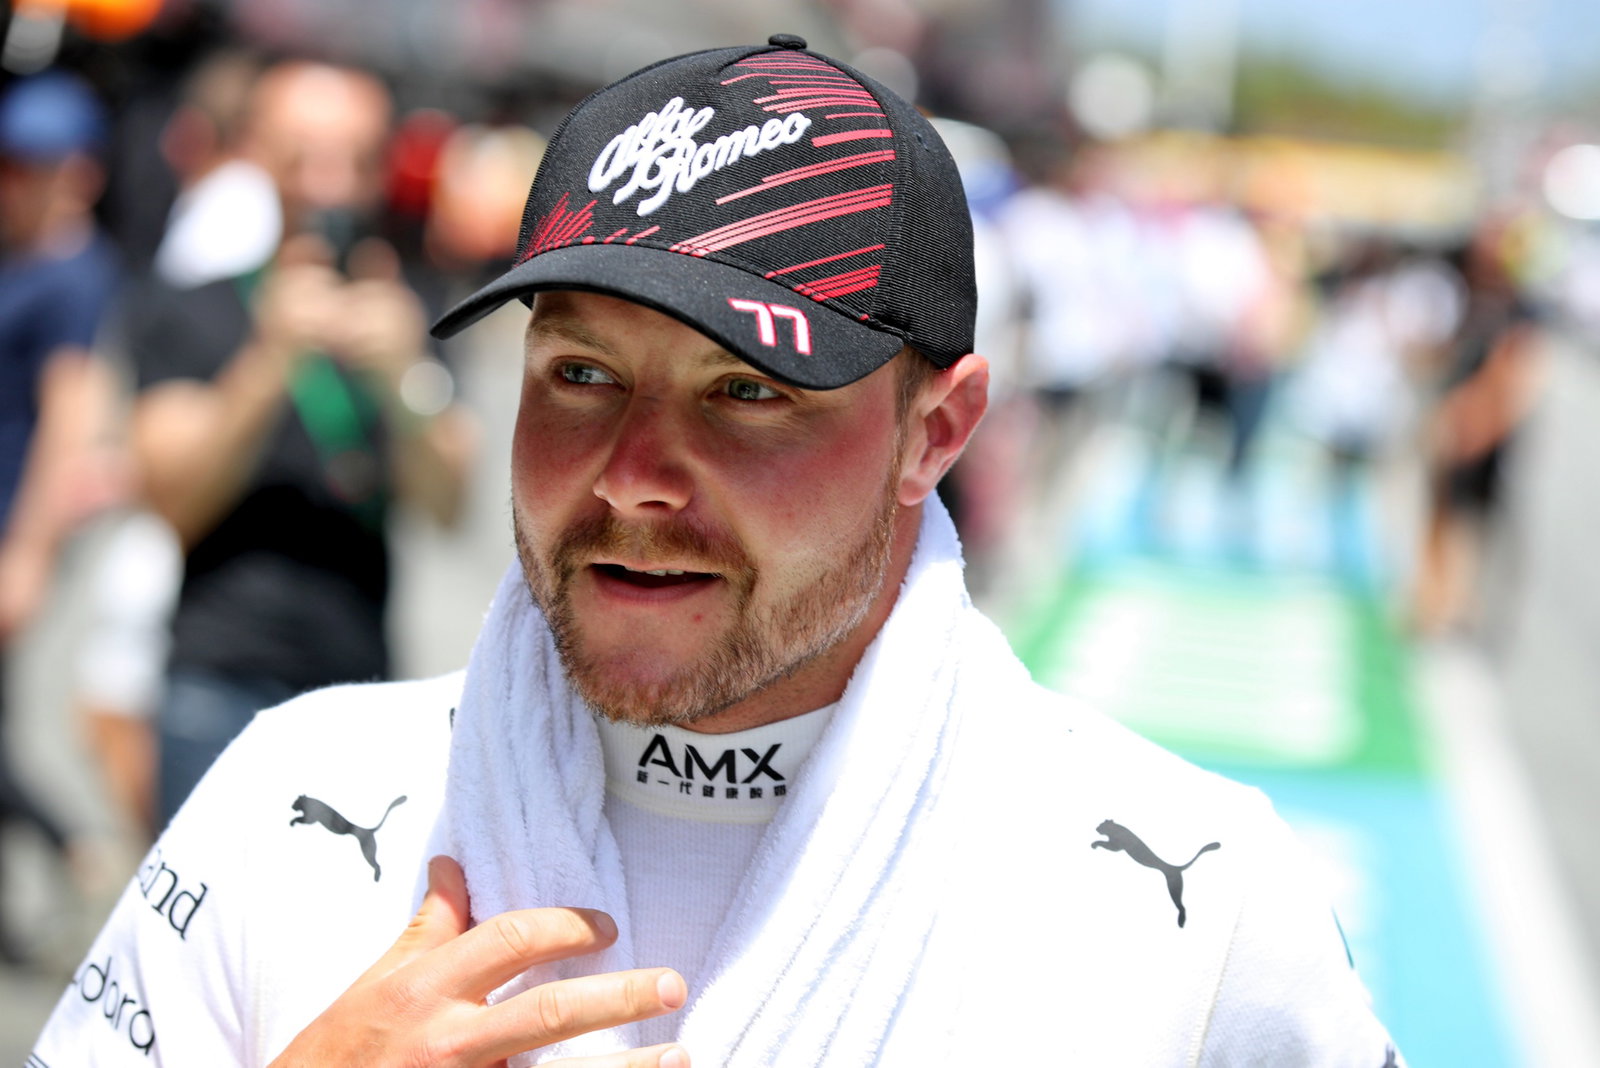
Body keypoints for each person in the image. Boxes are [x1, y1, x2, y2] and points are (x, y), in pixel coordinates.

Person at [35, 37, 1403, 1065]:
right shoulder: (293, 796)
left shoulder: (1197, 901)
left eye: (747, 391)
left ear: (938, 428)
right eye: (579, 372)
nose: (633, 477)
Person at [121, 58, 478, 824]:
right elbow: (170, 501)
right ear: (256, 153)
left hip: (362, 689)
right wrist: (269, 360)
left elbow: (450, 505)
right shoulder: (195, 307)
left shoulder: (411, 314)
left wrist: (405, 375)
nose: (330, 184)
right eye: (304, 156)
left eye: (354, 157)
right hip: (218, 681)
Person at [0, 69, 126, 962]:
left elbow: (70, 417)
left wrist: (27, 553)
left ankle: (81, 848)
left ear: (77, 173)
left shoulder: (77, 276)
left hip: (14, 529)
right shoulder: (19, 259)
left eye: (31, 165)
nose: (13, 179)